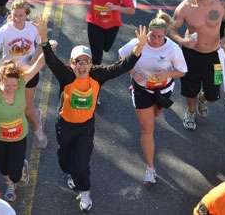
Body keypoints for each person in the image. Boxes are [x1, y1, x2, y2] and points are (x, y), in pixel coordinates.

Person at [35, 14, 147, 212]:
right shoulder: (66, 75)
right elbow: (51, 60)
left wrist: (139, 47)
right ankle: (71, 173)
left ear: (91, 63)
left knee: (82, 163)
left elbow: (122, 66)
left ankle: (85, 192)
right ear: (71, 64)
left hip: (85, 127)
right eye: (77, 62)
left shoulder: (97, 74)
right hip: (65, 125)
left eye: (85, 62)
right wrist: (43, 37)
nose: (82, 66)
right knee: (65, 158)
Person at [118, 11, 187, 184]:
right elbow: (121, 57)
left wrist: (167, 74)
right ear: (148, 32)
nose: (155, 40)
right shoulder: (137, 43)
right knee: (147, 128)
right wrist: (133, 72)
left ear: (165, 35)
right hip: (142, 89)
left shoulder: (172, 49)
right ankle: (150, 168)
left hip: (163, 90)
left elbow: (182, 71)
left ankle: (155, 111)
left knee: (157, 114)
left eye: (159, 36)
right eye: (152, 35)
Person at [0, 56, 47, 203]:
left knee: (16, 175)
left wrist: (46, 44)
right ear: (0, 81)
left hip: (19, 137)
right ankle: (11, 182)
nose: (12, 89)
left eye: (14, 85)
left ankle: (15, 178)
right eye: (7, 86)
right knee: (3, 169)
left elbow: (39, 64)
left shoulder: (22, 84)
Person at [169, 0, 225, 131]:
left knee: (214, 95)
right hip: (191, 55)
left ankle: (203, 99)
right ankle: (191, 111)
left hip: (215, 56)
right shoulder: (185, 7)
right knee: (190, 89)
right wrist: (182, 41)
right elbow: (170, 29)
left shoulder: (221, 2)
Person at [0, 0, 48, 149]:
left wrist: (32, 62)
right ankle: (12, 130)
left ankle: (37, 130)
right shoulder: (5, 30)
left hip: (28, 73)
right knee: (10, 106)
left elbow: (41, 44)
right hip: (10, 75)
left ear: (26, 15)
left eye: (20, 15)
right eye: (14, 14)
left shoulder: (32, 29)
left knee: (26, 107)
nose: (17, 18)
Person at [65, 0, 135, 65]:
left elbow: (131, 10)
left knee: (106, 48)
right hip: (94, 22)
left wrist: (116, 7)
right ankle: (93, 76)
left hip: (111, 25)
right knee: (97, 56)